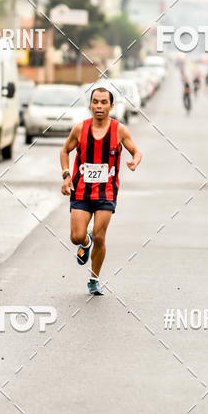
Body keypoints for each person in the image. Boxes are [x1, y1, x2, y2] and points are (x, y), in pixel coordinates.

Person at [60, 87, 142, 296]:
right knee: (76, 237)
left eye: (104, 102)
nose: (99, 106)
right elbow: (65, 151)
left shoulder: (119, 130)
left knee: (99, 235)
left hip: (106, 192)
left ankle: (94, 280)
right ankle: (85, 243)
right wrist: (66, 175)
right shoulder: (80, 129)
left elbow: (136, 151)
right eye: (95, 101)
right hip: (81, 191)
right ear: (90, 104)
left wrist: (134, 161)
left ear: (111, 106)